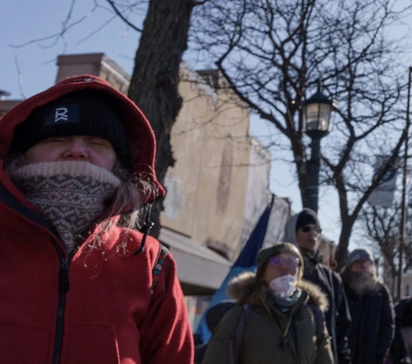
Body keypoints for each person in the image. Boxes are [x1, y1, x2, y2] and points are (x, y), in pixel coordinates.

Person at [0, 74, 193, 363]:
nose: (77, 150)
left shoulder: (150, 261)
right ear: (23, 154)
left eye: (96, 142)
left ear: (118, 162)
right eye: (57, 138)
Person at [202, 242, 333, 364]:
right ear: (262, 274)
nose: (285, 267)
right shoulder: (241, 315)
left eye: (292, 262)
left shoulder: (313, 315)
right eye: (276, 261)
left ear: (299, 273)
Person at [287, 208, 353, 364]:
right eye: (306, 229)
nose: (313, 234)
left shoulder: (332, 279)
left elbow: (342, 325)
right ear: (293, 233)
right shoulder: (280, 270)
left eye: (317, 230)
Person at [342, 248, 394, 364]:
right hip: (343, 355)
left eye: (366, 262)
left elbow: (387, 326)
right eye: (358, 262)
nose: (363, 266)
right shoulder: (340, 287)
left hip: (371, 358)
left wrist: (380, 354)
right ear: (350, 265)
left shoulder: (380, 291)